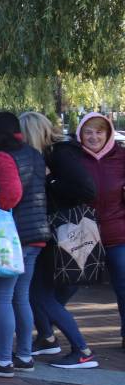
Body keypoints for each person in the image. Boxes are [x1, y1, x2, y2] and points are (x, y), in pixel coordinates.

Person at [0, 112, 48, 378]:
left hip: (13, 236)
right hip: (35, 233)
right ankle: (24, 355)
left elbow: (12, 194)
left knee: (1, 296)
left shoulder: (2, 156)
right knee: (21, 296)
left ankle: (3, 360)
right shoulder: (33, 153)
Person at [19, 111, 98, 368]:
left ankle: (82, 349)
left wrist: (49, 178)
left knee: (41, 294)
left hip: (64, 232)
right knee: (36, 291)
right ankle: (46, 338)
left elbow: (86, 190)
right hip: (55, 232)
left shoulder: (60, 154)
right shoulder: (55, 153)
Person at [77, 112, 125, 350]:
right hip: (81, 236)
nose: (93, 137)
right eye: (88, 132)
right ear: (80, 134)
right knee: (66, 286)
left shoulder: (121, 158)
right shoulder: (73, 158)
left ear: (108, 134)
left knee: (124, 285)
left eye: (99, 132)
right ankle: (46, 333)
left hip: (118, 235)